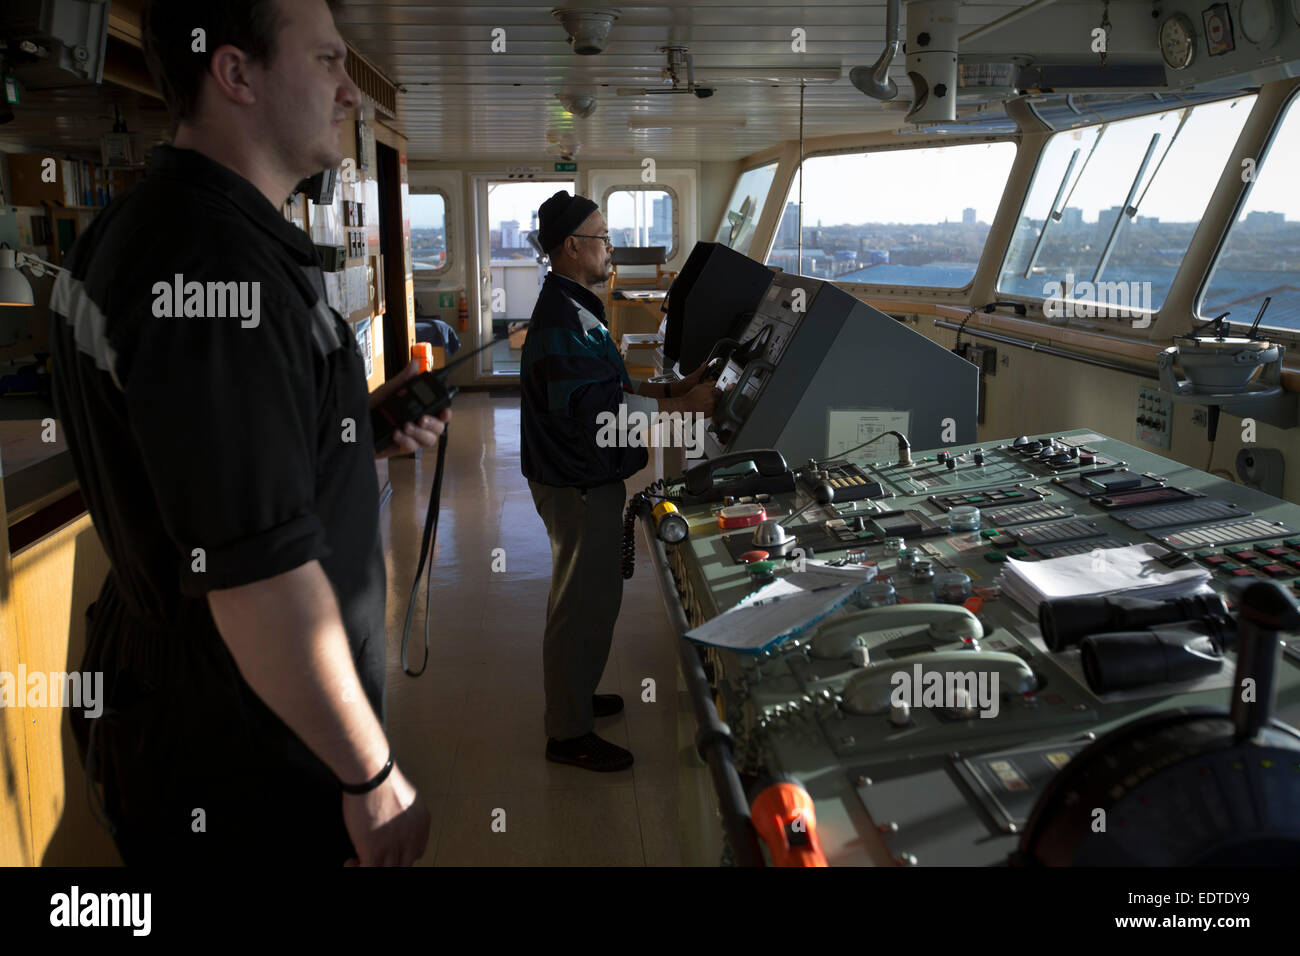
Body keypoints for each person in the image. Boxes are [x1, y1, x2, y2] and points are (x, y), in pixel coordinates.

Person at [48, 0, 442, 865]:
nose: (349, 91)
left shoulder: (143, 226)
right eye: (329, 62)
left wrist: (351, 431)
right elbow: (256, 581)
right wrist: (371, 777)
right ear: (236, 74)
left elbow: (197, 468)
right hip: (245, 755)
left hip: (185, 706)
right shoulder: (215, 269)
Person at [520, 191, 718, 771]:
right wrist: (683, 414)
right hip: (576, 483)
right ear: (572, 247)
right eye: (602, 237)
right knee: (583, 603)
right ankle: (567, 732)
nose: (611, 247)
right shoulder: (565, 320)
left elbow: (606, 394)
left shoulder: (577, 306)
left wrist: (672, 391)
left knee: (587, 598)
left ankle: (573, 697)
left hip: (577, 477)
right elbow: (598, 417)